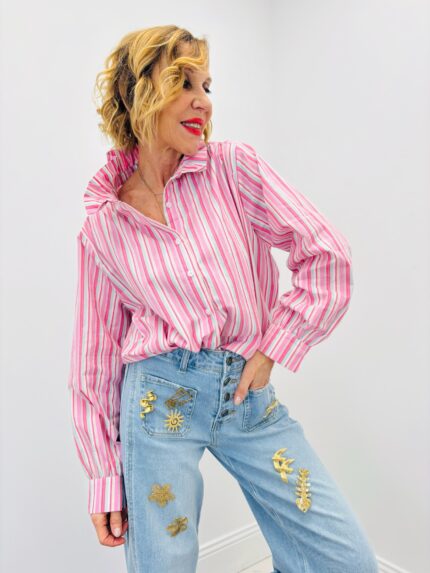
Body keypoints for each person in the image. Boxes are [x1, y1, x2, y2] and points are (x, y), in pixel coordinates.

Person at [67, 25, 378, 573]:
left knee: (343, 559)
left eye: (207, 86)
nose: (203, 102)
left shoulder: (233, 168)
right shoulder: (104, 223)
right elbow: (94, 359)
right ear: (140, 94)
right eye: (183, 83)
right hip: (156, 405)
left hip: (245, 394)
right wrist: (103, 477)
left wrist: (273, 348)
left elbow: (325, 252)